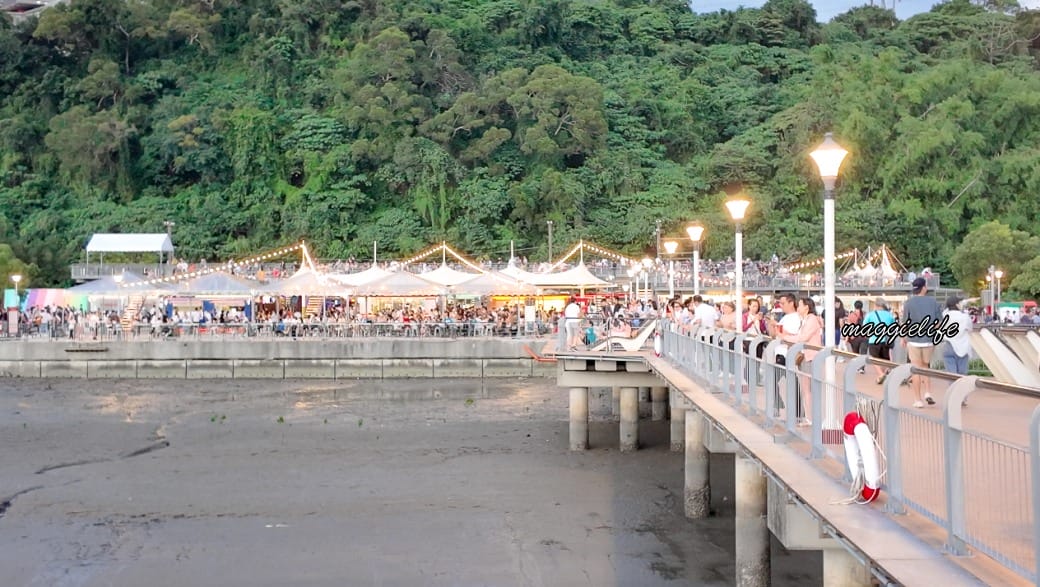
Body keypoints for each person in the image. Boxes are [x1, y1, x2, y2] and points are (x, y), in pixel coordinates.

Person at [779, 297, 823, 427]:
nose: (797, 308)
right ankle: (809, 417)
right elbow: (800, 336)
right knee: (806, 389)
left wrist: (785, 337)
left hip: (810, 357)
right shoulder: (806, 320)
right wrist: (786, 335)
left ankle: (810, 418)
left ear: (806, 307)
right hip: (806, 356)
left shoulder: (811, 320)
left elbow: (803, 337)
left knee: (807, 389)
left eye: (799, 305)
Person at [902, 277, 943, 408]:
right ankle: (928, 392)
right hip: (928, 340)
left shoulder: (908, 303)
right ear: (924, 288)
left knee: (916, 369)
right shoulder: (933, 302)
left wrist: (903, 337)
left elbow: (905, 323)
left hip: (913, 340)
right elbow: (939, 322)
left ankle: (917, 399)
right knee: (926, 366)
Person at [942, 297, 973, 377]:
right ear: (957, 305)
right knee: (962, 375)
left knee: (951, 375)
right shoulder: (965, 317)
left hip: (948, 345)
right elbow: (970, 328)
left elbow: (945, 311)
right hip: (962, 347)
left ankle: (952, 385)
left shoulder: (944, 315)